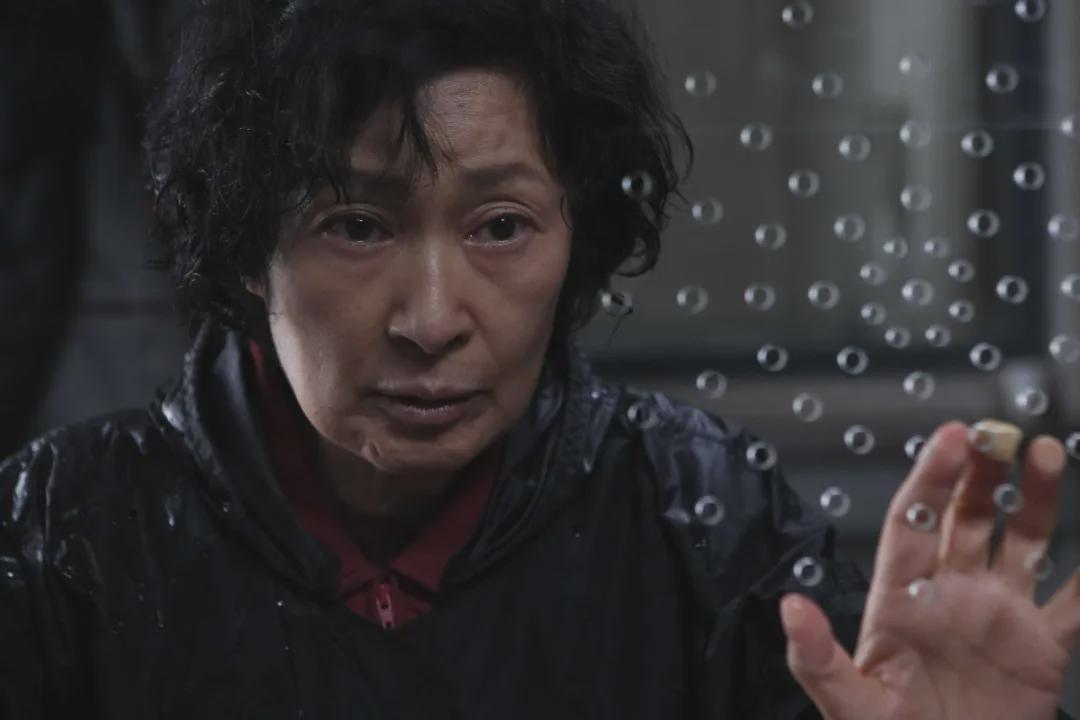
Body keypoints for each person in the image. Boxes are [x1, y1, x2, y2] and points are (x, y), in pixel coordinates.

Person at [1, 0, 1078, 718]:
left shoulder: (703, 523)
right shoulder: (65, 537)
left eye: (502, 227)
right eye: (357, 226)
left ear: (578, 236)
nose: (432, 319)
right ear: (247, 250)